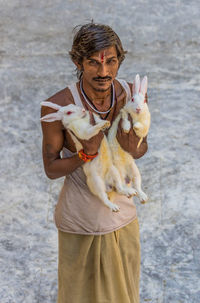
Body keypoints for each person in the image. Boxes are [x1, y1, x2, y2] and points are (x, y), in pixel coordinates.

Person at [41, 22, 148, 303]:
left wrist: (132, 143)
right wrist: (84, 155)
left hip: (123, 215)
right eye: (93, 63)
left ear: (119, 60)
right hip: (81, 219)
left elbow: (140, 148)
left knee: (124, 293)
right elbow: (51, 169)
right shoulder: (59, 105)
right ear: (77, 61)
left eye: (111, 62)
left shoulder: (131, 94)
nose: (104, 72)